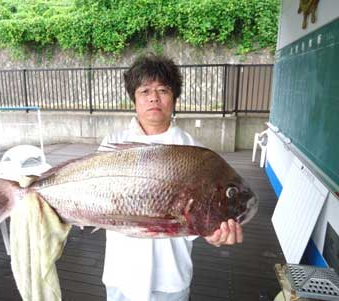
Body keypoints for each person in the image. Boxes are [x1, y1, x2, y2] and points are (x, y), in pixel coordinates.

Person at [100, 54, 243, 301]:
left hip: (170, 279)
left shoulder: (197, 155)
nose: (153, 97)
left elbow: (200, 215)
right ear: (133, 99)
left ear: (174, 98)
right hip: (121, 275)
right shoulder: (111, 145)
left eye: (162, 90)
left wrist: (213, 233)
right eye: (144, 91)